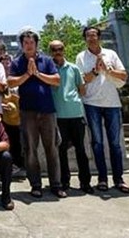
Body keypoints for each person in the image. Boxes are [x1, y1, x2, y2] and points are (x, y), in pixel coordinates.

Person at [8, 28, 64, 198]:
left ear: (36, 44)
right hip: (27, 111)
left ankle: (56, 184)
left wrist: (37, 74)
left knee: (52, 148)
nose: (29, 45)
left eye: (32, 42)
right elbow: (11, 82)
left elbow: (56, 80)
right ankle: (36, 184)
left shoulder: (46, 60)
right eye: (25, 43)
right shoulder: (17, 62)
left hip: (47, 110)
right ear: (22, 45)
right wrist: (27, 74)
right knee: (30, 149)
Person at [76, 26, 129, 194]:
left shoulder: (111, 54)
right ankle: (102, 178)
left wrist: (108, 70)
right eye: (88, 36)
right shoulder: (81, 57)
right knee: (97, 143)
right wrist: (95, 70)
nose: (91, 38)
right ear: (85, 39)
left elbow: (124, 75)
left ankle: (118, 178)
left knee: (115, 143)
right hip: (91, 102)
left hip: (112, 102)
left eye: (94, 35)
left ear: (99, 37)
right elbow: (81, 80)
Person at [49, 40, 93, 194]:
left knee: (81, 150)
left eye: (60, 49)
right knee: (61, 151)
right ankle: (64, 182)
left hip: (75, 114)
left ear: (64, 50)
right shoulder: (49, 69)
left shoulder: (73, 68)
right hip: (59, 116)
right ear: (50, 52)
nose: (57, 52)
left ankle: (85, 183)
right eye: (54, 50)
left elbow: (82, 89)